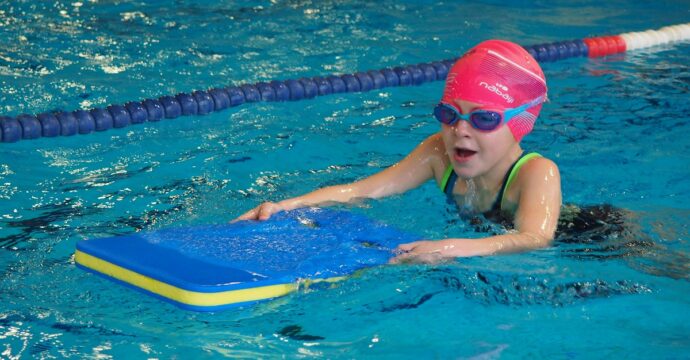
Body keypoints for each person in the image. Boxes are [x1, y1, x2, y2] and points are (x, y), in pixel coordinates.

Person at [235, 40, 562, 263]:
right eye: (449, 114)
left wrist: (452, 248)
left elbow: (535, 239)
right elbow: (363, 190)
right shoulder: (438, 154)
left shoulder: (537, 172)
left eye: (484, 118)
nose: (460, 129)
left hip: (582, 235)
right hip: (481, 233)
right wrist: (286, 205)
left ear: (521, 123)